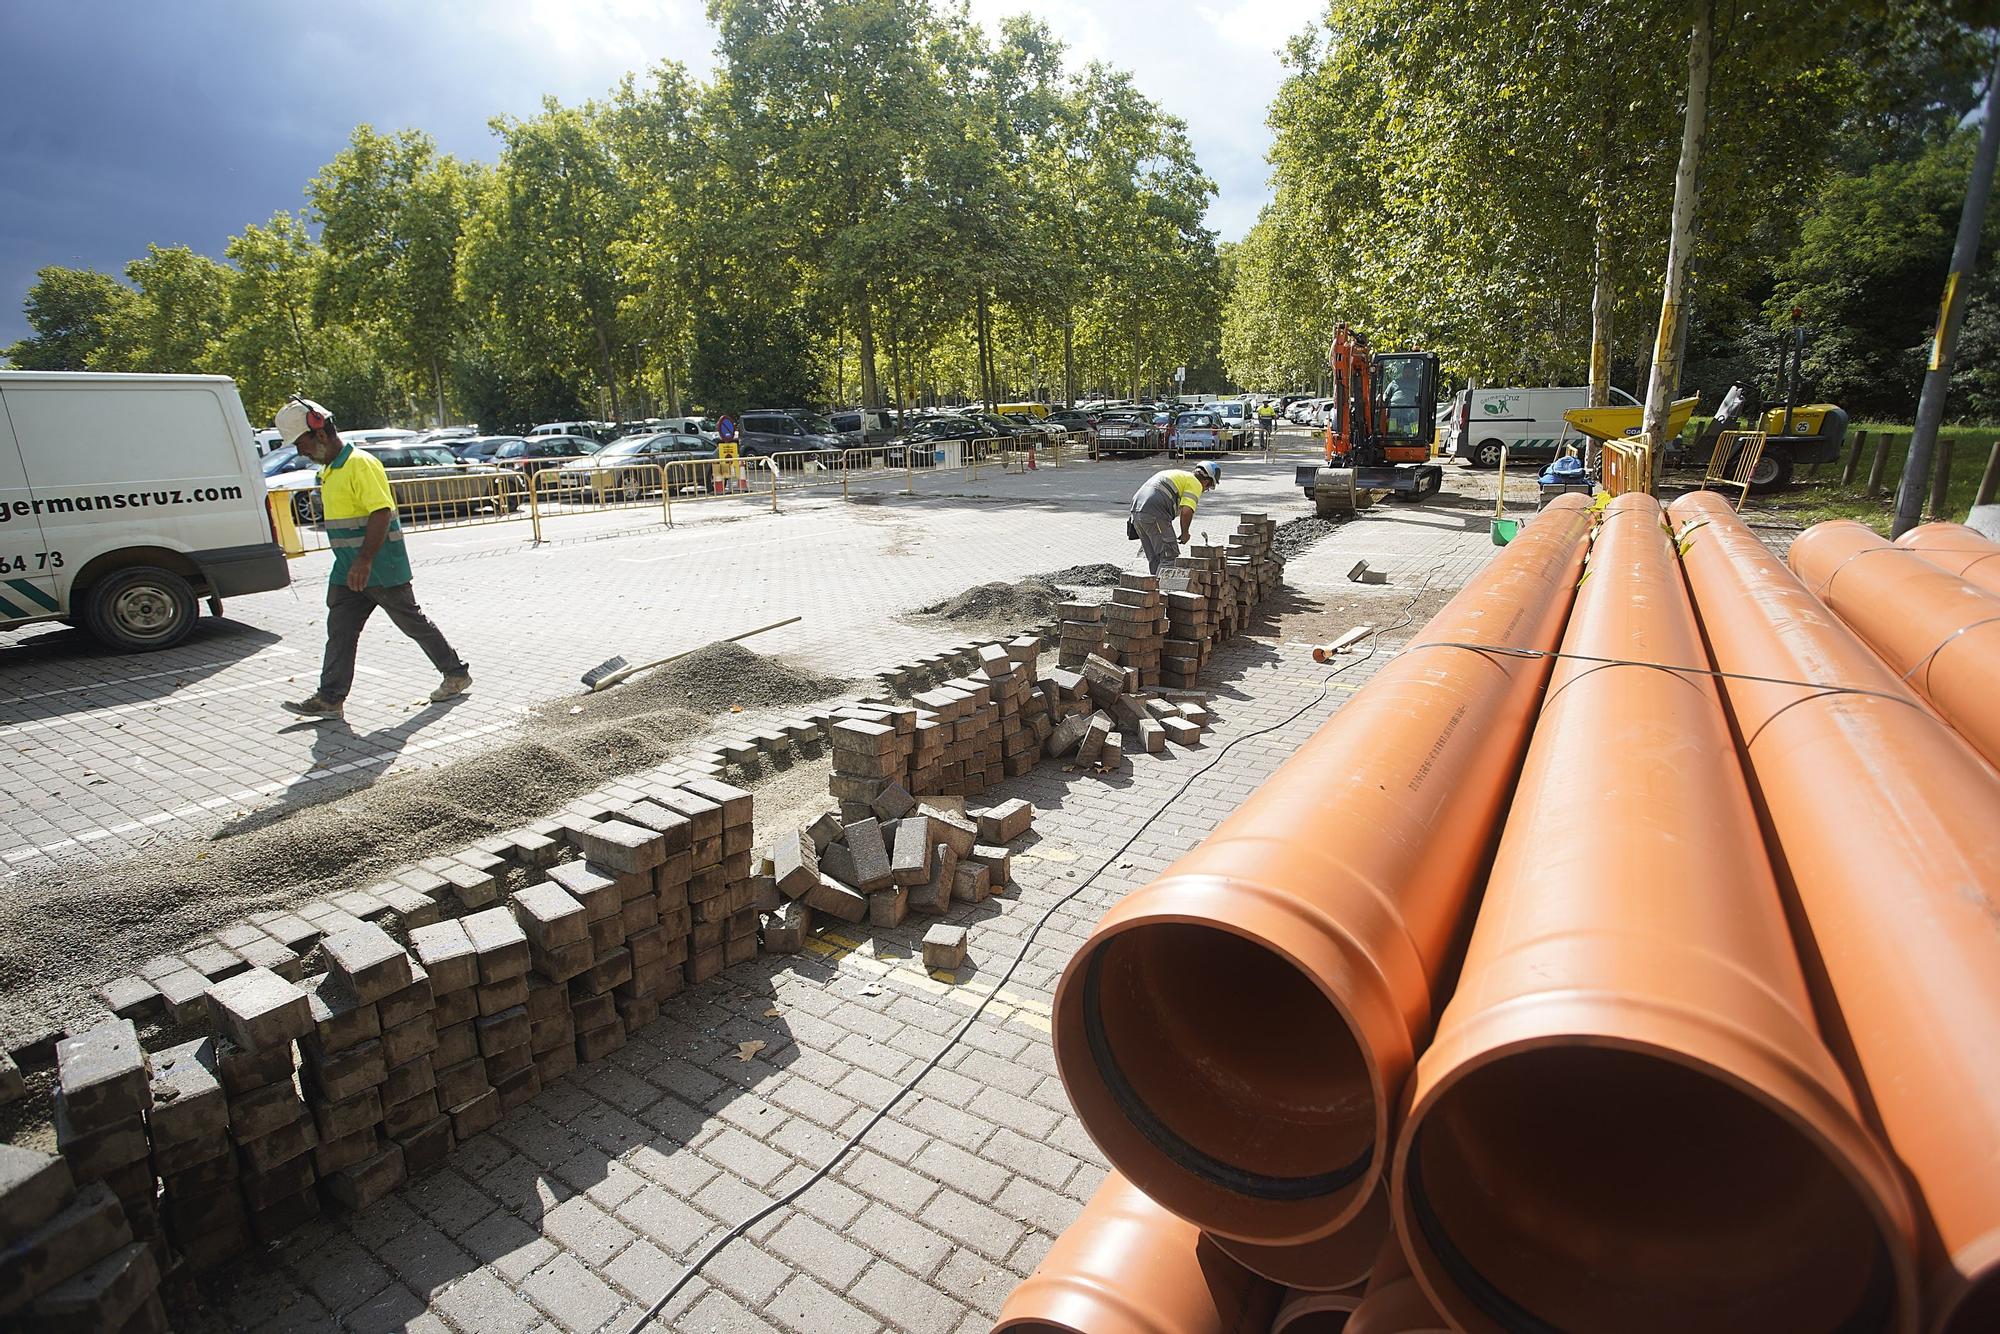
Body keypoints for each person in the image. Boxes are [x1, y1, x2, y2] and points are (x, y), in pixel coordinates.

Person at [275, 397, 471, 720]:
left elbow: (381, 512)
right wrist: (353, 563)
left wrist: (364, 560)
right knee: (340, 629)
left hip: (378, 567)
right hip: (348, 570)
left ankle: (455, 674)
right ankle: (330, 697)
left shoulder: (360, 465)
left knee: (412, 622)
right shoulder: (330, 471)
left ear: (320, 433)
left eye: (301, 443)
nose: (300, 452)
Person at [1128, 460, 1219, 574]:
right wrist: (1185, 533)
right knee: (1169, 556)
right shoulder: (1195, 483)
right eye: (1208, 487)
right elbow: (1186, 511)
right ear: (1206, 481)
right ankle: (1166, 590)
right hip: (1154, 512)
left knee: (1155, 558)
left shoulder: (1180, 475)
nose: (1205, 490)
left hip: (1136, 511)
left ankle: (1153, 589)